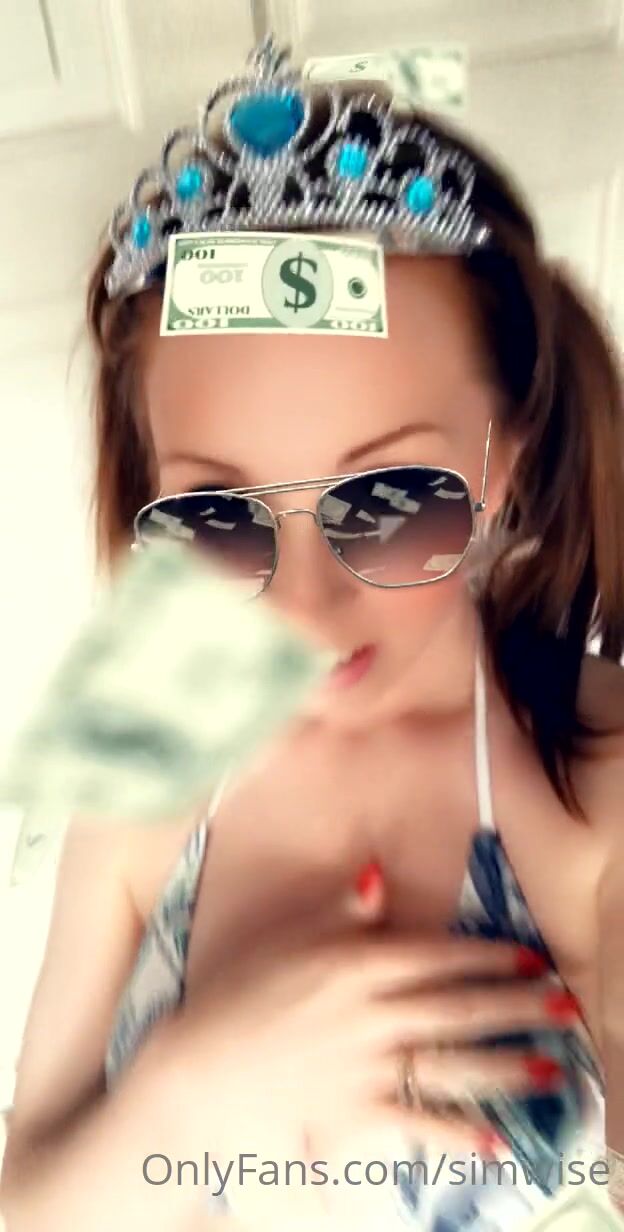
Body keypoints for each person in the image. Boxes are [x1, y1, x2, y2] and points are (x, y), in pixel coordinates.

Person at [2, 34, 624, 1232]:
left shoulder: (591, 777)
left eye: (390, 503)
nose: (302, 608)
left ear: (505, 461)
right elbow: (31, 1202)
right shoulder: (140, 754)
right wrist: (195, 1087)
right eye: (217, 516)